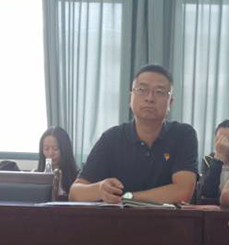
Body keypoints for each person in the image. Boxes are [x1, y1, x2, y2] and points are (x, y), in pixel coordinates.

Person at [69, 64, 198, 204]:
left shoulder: (183, 135)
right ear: (131, 97)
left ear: (170, 102)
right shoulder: (111, 138)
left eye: (159, 92)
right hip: (119, 218)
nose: (150, 98)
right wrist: (100, 189)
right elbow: (75, 193)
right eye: (142, 90)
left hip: (167, 218)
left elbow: (183, 192)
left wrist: (127, 197)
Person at [199, 119, 229, 200]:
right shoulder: (208, 160)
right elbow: (207, 193)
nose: (225, 146)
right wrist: (219, 157)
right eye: (220, 141)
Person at [37, 126, 79, 197]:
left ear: (65, 149)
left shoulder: (78, 177)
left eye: (55, 149)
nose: (50, 153)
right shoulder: (36, 174)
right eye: (46, 149)